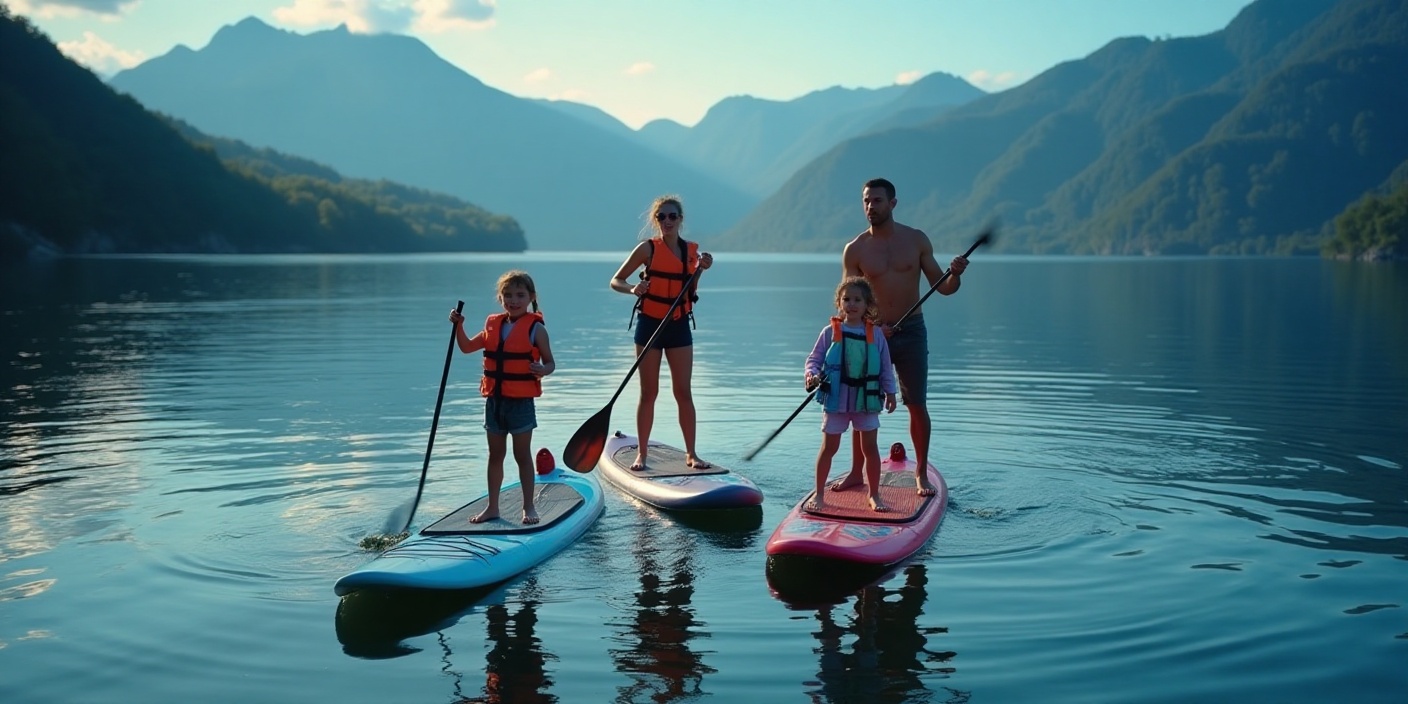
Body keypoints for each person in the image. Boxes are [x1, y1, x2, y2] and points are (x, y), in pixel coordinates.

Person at [830, 177, 969, 497]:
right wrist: (872, 329)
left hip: (912, 332)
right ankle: (855, 472)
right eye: (866, 201)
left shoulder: (916, 240)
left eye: (877, 201)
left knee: (917, 404)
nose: (870, 207)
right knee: (860, 405)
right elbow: (847, 301)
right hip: (870, 335)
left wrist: (957, 274)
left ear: (892, 203)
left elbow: (944, 287)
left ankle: (920, 473)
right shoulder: (855, 250)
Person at [608, 195, 714, 471]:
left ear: (680, 220)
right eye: (661, 217)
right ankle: (641, 454)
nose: (666, 221)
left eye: (672, 216)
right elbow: (616, 280)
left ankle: (691, 454)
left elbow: (690, 290)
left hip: (678, 326)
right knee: (648, 393)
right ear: (655, 221)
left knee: (684, 392)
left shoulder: (690, 252)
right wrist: (633, 288)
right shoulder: (647, 249)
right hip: (649, 326)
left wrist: (700, 270)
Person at [448, 270, 555, 524]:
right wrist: (458, 326)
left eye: (519, 295)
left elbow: (550, 363)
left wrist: (542, 370)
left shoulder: (536, 329)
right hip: (494, 401)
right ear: (500, 298)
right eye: (507, 295)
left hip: (520, 403)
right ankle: (493, 507)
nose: (513, 300)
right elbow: (465, 347)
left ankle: (529, 507)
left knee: (522, 455)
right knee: (495, 456)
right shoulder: (493, 326)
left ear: (530, 297)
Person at [804, 277, 898, 512]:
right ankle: (819, 494)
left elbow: (886, 367)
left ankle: (874, 495)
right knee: (829, 447)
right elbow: (813, 360)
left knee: (870, 448)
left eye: (858, 300)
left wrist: (891, 393)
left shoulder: (875, 335)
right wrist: (811, 376)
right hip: (836, 398)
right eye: (847, 299)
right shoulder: (830, 332)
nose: (852, 304)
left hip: (866, 400)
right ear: (839, 302)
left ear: (868, 305)